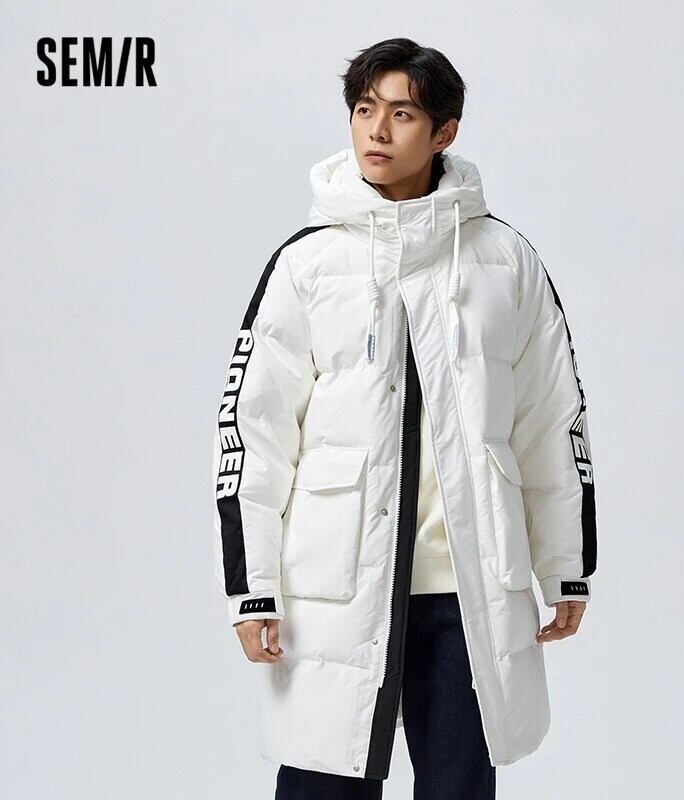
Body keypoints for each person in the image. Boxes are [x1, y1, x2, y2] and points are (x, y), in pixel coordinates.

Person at [213, 37, 597, 800]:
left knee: (458, 787)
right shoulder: (307, 265)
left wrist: (564, 564)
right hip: (335, 586)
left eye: (402, 114)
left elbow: (552, 421)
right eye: (364, 110)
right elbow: (253, 435)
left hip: (468, 588)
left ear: (445, 131)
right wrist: (252, 586)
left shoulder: (506, 261)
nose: (377, 131)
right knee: (325, 782)